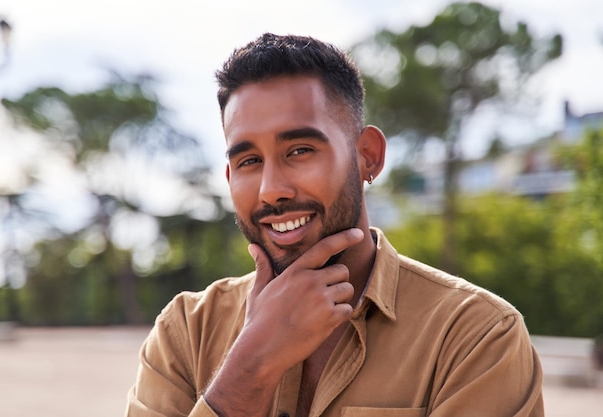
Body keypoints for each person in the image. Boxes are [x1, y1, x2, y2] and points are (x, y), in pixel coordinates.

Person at [125, 33, 544, 417]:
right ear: (231, 178)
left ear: (368, 156)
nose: (271, 191)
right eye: (249, 161)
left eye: (300, 150)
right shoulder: (184, 331)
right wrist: (251, 366)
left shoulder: (476, 337)